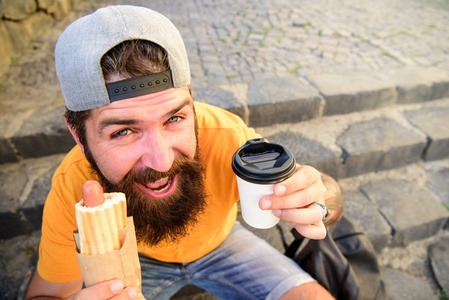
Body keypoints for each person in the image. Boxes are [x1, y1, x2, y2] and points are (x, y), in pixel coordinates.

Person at [25, 5, 343, 300]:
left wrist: (322, 201)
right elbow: (47, 293)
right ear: (77, 134)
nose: (162, 160)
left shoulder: (226, 136)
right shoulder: (72, 186)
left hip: (223, 245)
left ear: (191, 103)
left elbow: (320, 191)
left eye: (174, 118)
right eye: (122, 131)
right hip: (134, 258)